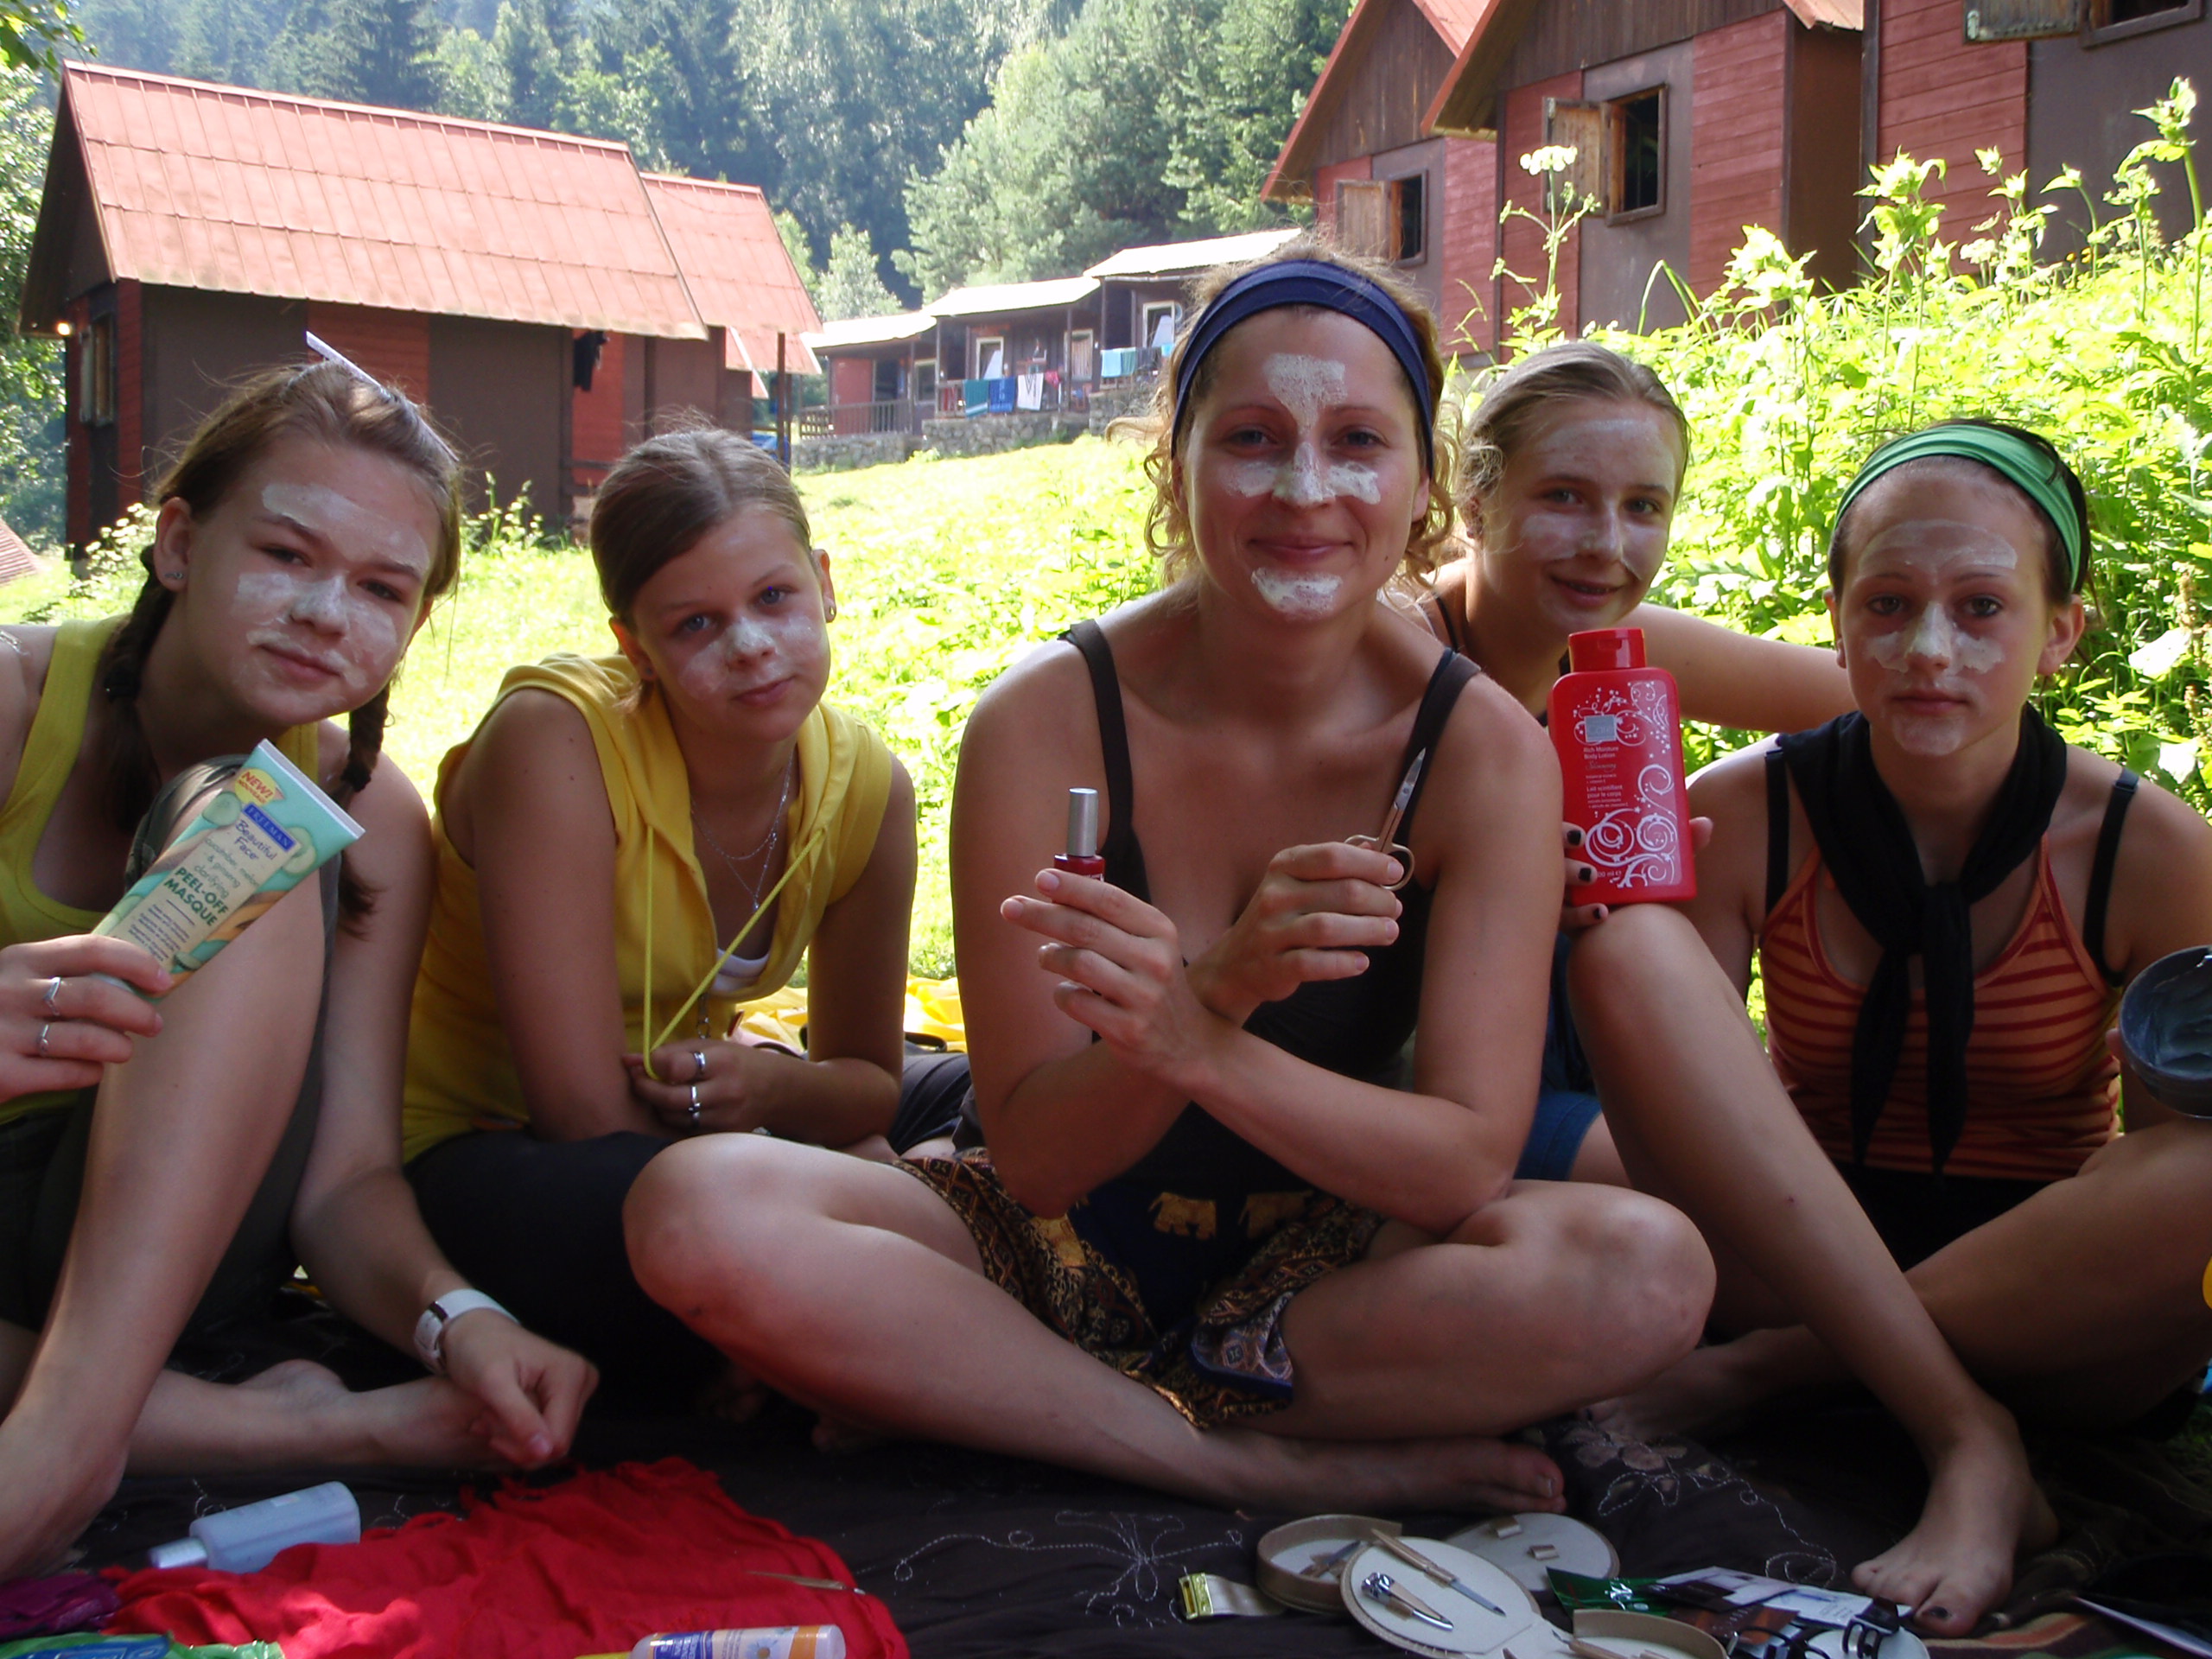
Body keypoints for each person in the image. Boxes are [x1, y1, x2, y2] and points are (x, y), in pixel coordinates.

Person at [618, 240, 1714, 1510]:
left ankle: (1003, 1392)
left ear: (1423, 486)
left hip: (1335, 1277)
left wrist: (1198, 1032)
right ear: (1173, 464)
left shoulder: (1480, 753)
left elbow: (1461, 1164)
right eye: (1252, 439)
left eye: (1358, 442)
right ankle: (1222, 1455)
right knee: (694, 1208)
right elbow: (1035, 1160)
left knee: (1651, 1271)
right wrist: (1223, 981)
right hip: (1041, 1243)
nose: (1305, 490)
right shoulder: (1046, 719)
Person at [1567, 422, 2212, 1630]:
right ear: (1836, 617)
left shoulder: (2150, 848)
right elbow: (1678, 1113)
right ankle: (1963, 1429)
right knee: (1624, 948)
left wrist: (1765, 1358)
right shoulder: (1743, 815)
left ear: (2061, 631)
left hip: (2049, 1308)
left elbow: (2162, 1174)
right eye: (1888, 604)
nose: (1927, 651)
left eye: (1981, 608)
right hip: (1794, 1249)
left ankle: (1787, 1376)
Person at [0, 359, 595, 1582]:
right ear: (178, 544)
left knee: (256, 815)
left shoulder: (370, 817)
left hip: (170, 1264)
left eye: (382, 588)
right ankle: (284, 1427)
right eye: (285, 554)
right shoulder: (11, 704)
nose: (327, 612)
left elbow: (344, 1183)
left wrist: (461, 1320)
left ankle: (60, 1450)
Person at [402, 428, 918, 1407]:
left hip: (691, 1124)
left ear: (824, 583)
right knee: (762, 1224)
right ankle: (847, 1336)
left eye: (775, 597)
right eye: (696, 625)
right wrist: (807, 1147)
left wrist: (774, 1089)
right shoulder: (556, 741)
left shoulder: (868, 790)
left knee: (964, 1109)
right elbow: (580, 1116)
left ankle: (831, 1338)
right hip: (486, 1145)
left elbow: (869, 1088)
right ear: (634, 647)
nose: (751, 646)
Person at [1419, 342, 1856, 1185]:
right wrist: (1500, 881)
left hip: (1604, 1035)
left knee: (1749, 798)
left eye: (1643, 506)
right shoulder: (1401, 656)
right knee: (1731, 1193)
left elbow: (1884, 697)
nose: (1607, 544)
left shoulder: (1618, 645)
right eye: (1563, 496)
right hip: (1443, 1083)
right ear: (1474, 502)